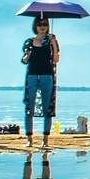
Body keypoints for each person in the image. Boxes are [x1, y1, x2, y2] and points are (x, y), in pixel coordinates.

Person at [21, 17, 60, 148]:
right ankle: (29, 139)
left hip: (47, 76)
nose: (42, 26)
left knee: (47, 107)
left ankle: (45, 139)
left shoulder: (50, 41)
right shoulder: (29, 42)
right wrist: (28, 54)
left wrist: (54, 44)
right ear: (35, 26)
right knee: (29, 108)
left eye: (44, 24)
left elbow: (56, 59)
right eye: (39, 24)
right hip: (32, 76)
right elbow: (25, 60)